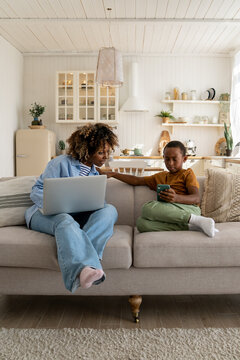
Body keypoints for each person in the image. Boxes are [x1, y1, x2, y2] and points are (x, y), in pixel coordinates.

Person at [25, 123, 119, 293]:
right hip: (44, 214)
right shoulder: (59, 163)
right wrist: (55, 206)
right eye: (100, 152)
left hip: (76, 218)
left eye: (107, 152)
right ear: (86, 150)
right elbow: (36, 191)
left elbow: (96, 203)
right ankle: (87, 267)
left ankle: (86, 266)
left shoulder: (95, 173)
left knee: (109, 210)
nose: (105, 157)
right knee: (65, 219)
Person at [99, 140, 218, 238]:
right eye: (167, 159)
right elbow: (137, 180)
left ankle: (197, 219)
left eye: (174, 159)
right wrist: (114, 174)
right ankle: (192, 225)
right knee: (142, 223)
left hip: (189, 209)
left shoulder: (187, 173)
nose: (170, 163)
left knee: (147, 208)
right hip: (169, 212)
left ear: (184, 159)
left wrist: (176, 198)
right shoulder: (160, 177)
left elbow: (196, 198)